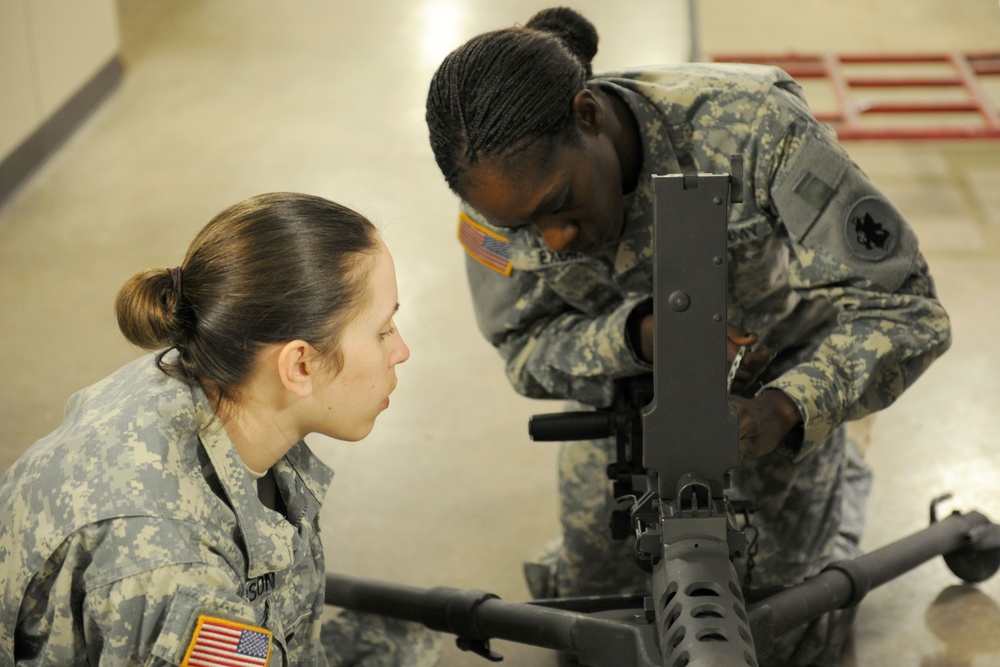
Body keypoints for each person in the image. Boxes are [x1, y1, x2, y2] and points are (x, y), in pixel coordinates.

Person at [425, 7, 951, 666]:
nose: (553, 238)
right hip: (625, 386)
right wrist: (634, 339)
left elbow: (906, 310)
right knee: (598, 616)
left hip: (774, 373)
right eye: (527, 226)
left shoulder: (757, 129)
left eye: (562, 204)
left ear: (588, 115)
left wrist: (785, 409)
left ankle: (832, 465)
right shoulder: (497, 196)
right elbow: (525, 348)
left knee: (781, 618)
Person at [0, 193, 442, 666]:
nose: (401, 351)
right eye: (383, 331)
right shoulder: (173, 573)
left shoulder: (207, 367)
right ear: (299, 365)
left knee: (409, 636)